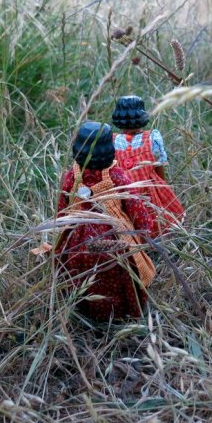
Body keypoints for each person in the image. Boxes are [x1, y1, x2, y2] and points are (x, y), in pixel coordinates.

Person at [54, 121, 156, 321]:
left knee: (80, 273)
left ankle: (85, 310)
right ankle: (119, 314)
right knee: (119, 275)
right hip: (114, 236)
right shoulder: (118, 177)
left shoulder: (71, 176)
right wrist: (144, 229)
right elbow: (135, 205)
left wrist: (62, 232)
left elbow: (62, 207)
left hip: (78, 237)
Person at [111, 96, 184, 235]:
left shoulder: (113, 139)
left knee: (127, 213)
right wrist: (162, 183)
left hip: (122, 188)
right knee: (155, 211)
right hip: (147, 186)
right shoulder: (151, 137)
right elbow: (159, 165)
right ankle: (152, 235)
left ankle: (132, 236)